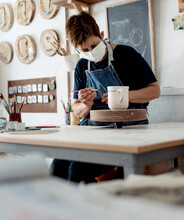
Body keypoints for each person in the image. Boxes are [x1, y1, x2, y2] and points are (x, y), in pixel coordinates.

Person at [51, 12, 160, 183]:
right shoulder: (82, 65)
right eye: (84, 50)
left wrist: (123, 96)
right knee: (57, 167)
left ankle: (92, 207)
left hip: (127, 130)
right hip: (95, 131)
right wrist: (85, 105)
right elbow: (77, 110)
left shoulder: (127, 54)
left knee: (77, 169)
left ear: (101, 35)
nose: (91, 52)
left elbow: (154, 91)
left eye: (94, 45)